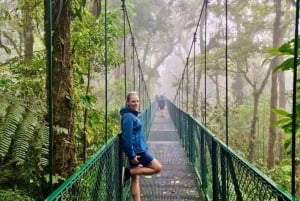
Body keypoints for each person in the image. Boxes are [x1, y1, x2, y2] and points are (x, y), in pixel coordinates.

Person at [120, 92, 162, 201]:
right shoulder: (129, 117)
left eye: (137, 101)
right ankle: (128, 172)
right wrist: (132, 155)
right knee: (158, 167)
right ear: (127, 101)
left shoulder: (132, 114)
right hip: (138, 152)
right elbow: (127, 138)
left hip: (137, 150)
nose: (136, 103)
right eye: (133, 101)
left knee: (136, 180)